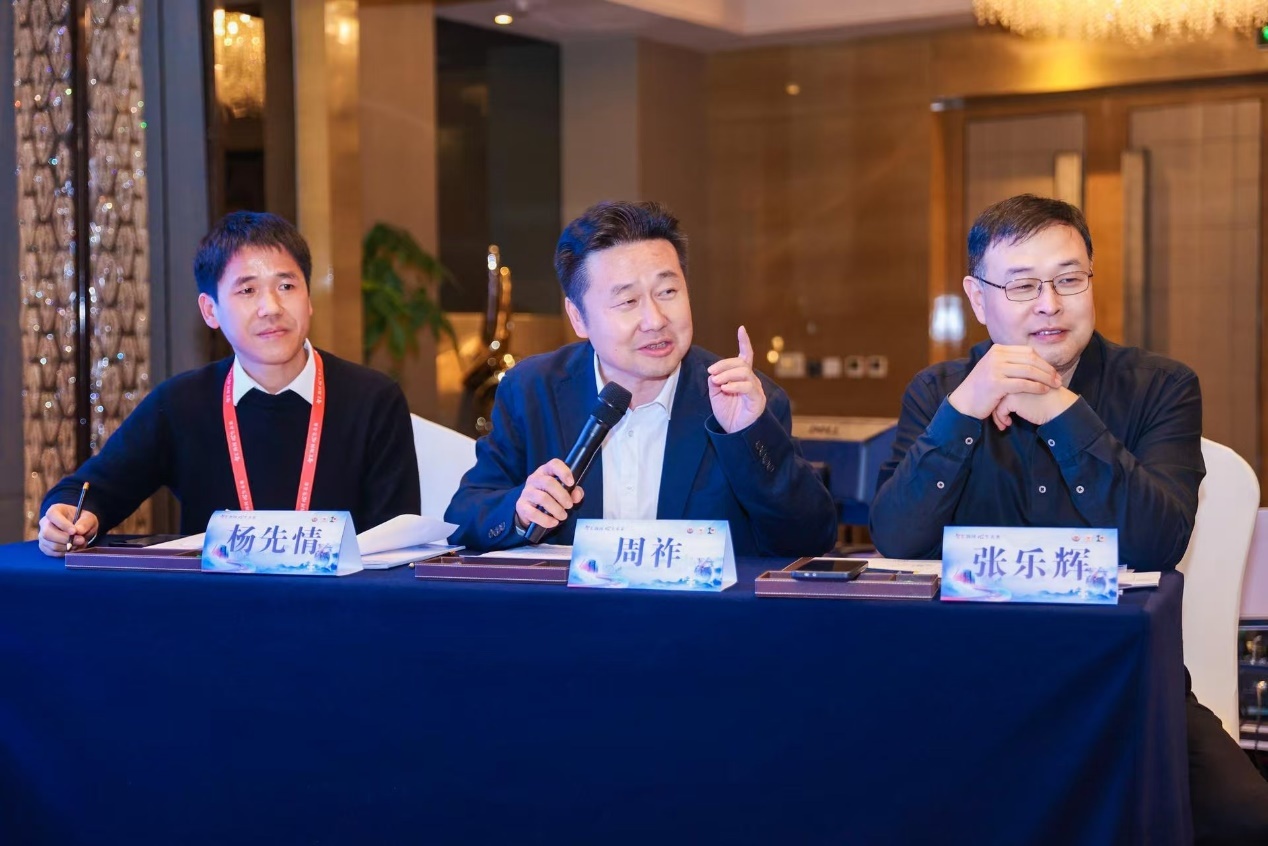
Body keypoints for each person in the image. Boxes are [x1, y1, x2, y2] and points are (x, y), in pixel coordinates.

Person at [870, 193, 1268, 845]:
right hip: (965, 680)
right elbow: (896, 540)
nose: (1049, 304)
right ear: (978, 298)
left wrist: (1061, 410)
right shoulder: (939, 392)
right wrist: (965, 408)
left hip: (1123, 683)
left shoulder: (1162, 387)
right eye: (1023, 285)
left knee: (1245, 818)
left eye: (1068, 279)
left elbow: (1156, 543)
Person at [444, 200, 835, 557]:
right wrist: (520, 510)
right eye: (628, 301)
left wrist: (748, 435)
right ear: (578, 317)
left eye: (668, 291)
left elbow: (811, 540)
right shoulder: (532, 389)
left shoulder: (744, 398)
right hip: (575, 611)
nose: (655, 320)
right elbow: (465, 516)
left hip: (698, 612)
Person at [38, 211, 420, 556]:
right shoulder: (182, 403)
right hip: (216, 605)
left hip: (339, 605)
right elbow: (88, 491)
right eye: (247, 290)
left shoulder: (372, 399)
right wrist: (69, 517)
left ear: (308, 298)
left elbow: (397, 540)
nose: (271, 308)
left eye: (287, 286)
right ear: (210, 310)